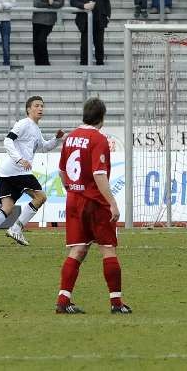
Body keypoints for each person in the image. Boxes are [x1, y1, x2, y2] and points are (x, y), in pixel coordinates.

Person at [56, 98, 132, 314]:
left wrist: (71, 189)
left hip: (74, 199)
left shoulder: (70, 138)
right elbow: (99, 174)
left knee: (78, 249)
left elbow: (62, 171)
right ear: (102, 117)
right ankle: (116, 304)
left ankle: (63, 300)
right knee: (107, 248)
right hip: (95, 202)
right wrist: (113, 203)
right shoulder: (98, 139)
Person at [0, 95, 64, 247]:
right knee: (40, 197)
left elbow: (44, 147)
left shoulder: (35, 128)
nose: (40, 108)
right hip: (18, 170)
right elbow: (7, 140)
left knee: (7, 208)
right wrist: (19, 159)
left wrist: (56, 139)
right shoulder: (23, 124)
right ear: (29, 109)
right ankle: (16, 229)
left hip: (7, 172)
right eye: (36, 106)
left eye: (42, 106)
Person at [70, 0, 110, 65]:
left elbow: (106, 2)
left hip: (99, 20)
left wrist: (107, 16)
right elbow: (72, 1)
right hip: (84, 21)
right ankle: (84, 63)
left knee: (99, 43)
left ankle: (100, 62)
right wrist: (83, 5)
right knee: (84, 44)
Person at [32, 0, 64, 65]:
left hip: (49, 20)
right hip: (37, 19)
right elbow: (36, 2)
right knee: (36, 42)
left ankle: (45, 62)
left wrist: (52, 3)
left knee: (41, 40)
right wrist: (48, 3)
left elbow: (61, 3)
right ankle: (38, 63)